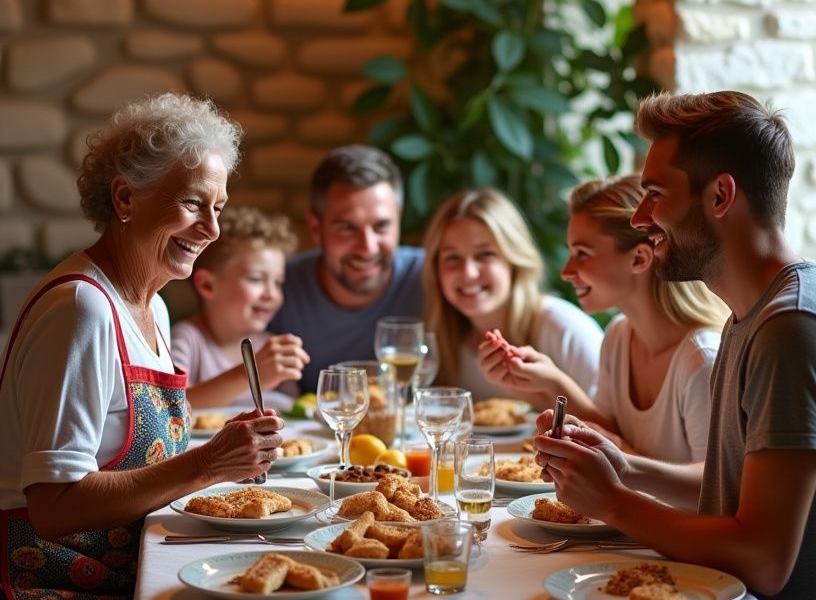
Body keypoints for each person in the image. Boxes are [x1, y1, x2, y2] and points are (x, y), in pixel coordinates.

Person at [0, 94, 283, 600]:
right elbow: (51, 505)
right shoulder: (81, 310)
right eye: (191, 203)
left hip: (113, 583)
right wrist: (207, 465)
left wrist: (218, 454)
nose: (211, 228)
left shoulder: (151, 306)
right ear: (125, 200)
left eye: (218, 208)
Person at [537, 90, 816, 600]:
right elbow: (730, 501)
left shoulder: (788, 328)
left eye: (655, 195)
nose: (642, 219)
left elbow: (762, 558)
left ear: (721, 195)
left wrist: (613, 502)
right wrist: (623, 467)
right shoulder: (750, 315)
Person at [482, 175, 727, 461]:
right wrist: (551, 384)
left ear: (639, 259)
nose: (566, 271)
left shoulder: (701, 360)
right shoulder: (619, 336)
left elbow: (712, 488)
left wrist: (621, 458)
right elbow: (613, 435)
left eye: (582, 254)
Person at [267, 145, 424, 392]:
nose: (368, 248)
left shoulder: (431, 277)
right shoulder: (277, 285)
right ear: (316, 229)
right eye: (347, 228)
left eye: (381, 226)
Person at [422, 188, 602, 402]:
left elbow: (610, 431)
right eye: (452, 258)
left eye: (485, 254)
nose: (468, 273)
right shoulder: (449, 339)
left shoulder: (564, 329)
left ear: (514, 260)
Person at [171, 205, 310, 409]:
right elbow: (172, 406)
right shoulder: (187, 340)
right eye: (256, 279)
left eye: (278, 283)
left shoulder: (271, 349)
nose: (271, 294)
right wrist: (250, 373)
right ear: (207, 285)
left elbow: (293, 411)